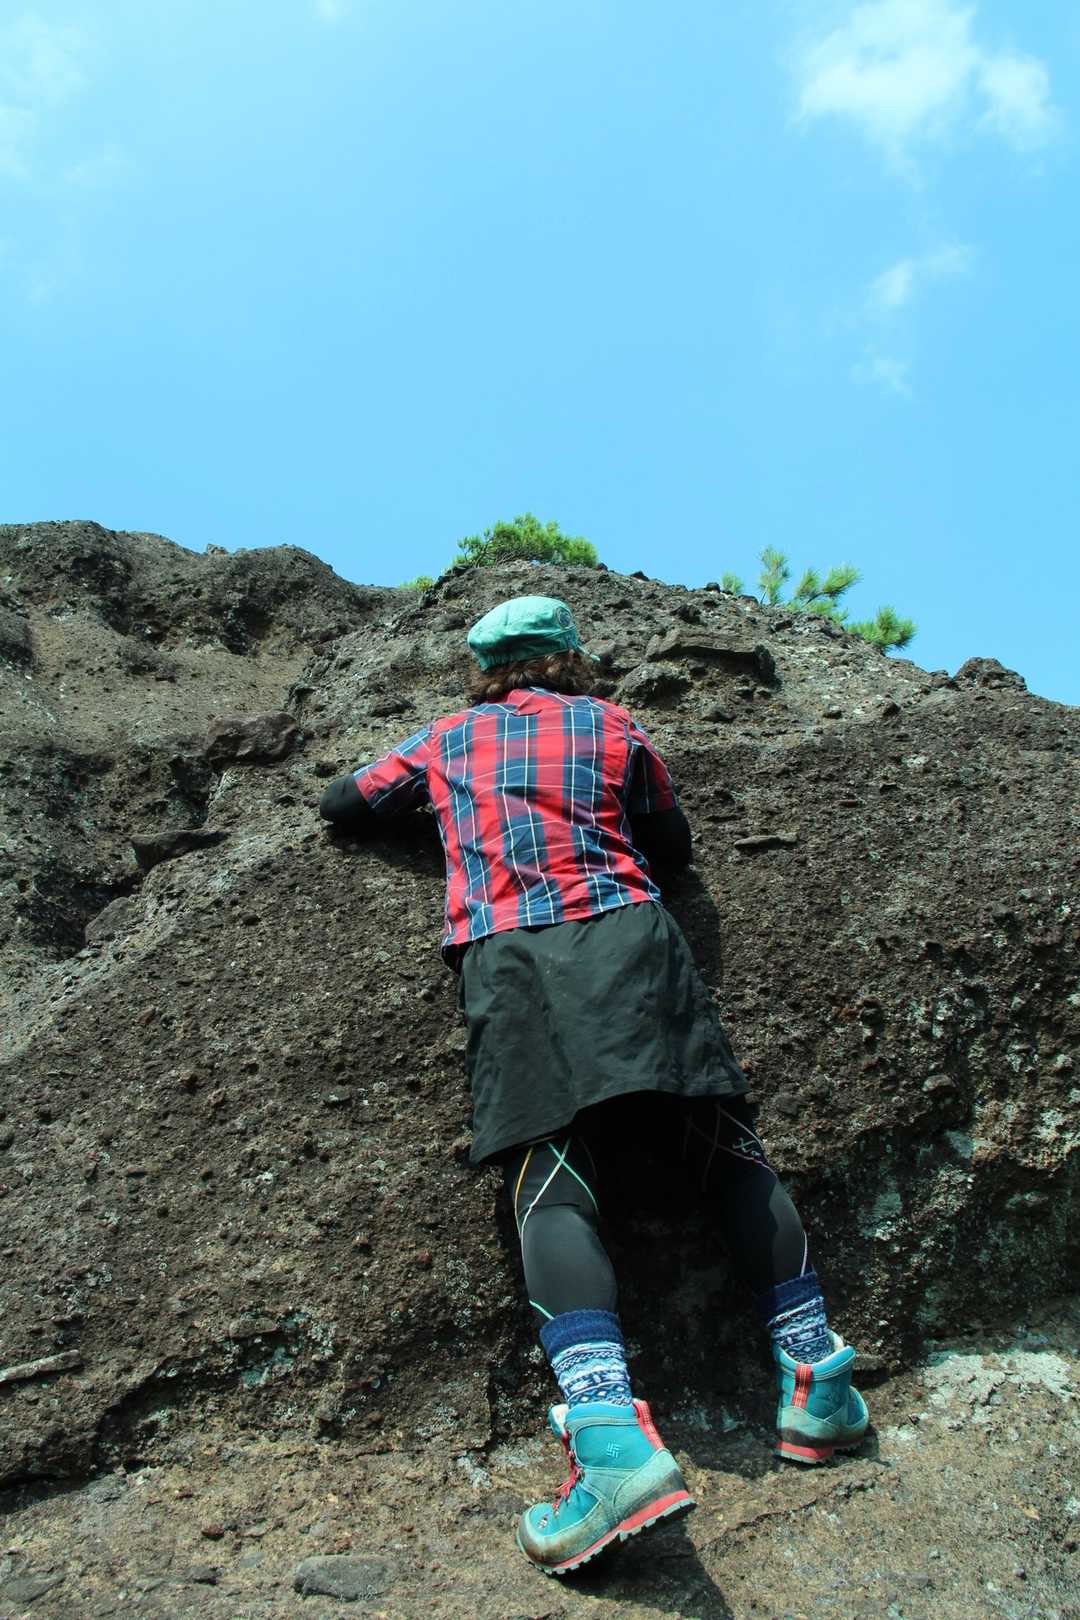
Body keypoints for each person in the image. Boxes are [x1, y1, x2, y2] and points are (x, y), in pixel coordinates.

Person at [318, 593, 868, 1578]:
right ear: (570, 656)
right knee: (726, 1151)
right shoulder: (613, 724)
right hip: (632, 937)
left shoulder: (447, 737)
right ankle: (817, 1383)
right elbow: (672, 843)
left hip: (514, 956)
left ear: (485, 669)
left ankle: (611, 1443)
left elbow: (344, 803)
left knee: (552, 1180)